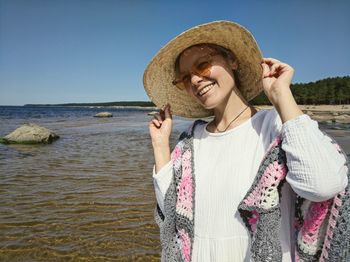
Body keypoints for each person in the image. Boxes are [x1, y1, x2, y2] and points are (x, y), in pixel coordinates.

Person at [143, 21, 349, 261]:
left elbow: (323, 185)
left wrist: (281, 96)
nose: (196, 80)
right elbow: (173, 212)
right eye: (186, 78)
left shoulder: (278, 125)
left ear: (232, 60)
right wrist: (160, 146)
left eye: (203, 65)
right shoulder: (189, 141)